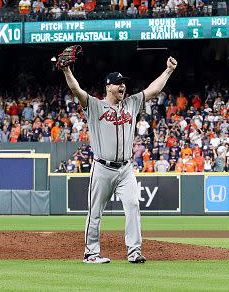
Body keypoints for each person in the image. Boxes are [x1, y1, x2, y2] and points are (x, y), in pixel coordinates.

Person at [62, 56, 178, 264]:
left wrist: (168, 70)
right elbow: (76, 91)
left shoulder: (132, 103)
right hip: (102, 168)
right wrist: (66, 70)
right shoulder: (95, 106)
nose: (123, 86)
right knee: (95, 212)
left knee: (133, 205)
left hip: (125, 168)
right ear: (108, 87)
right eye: (118, 83)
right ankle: (90, 253)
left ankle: (134, 251)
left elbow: (153, 89)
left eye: (124, 83)